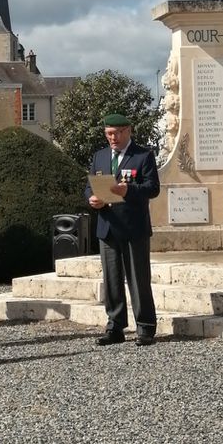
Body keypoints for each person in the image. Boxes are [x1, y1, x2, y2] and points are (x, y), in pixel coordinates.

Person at [85, 113, 160, 346]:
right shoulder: (100, 156)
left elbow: (152, 188)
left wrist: (128, 191)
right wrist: (92, 199)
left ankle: (145, 327)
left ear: (128, 131)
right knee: (112, 281)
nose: (113, 138)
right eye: (109, 134)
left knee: (138, 280)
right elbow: (88, 186)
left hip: (133, 227)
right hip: (107, 226)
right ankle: (115, 327)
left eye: (117, 133)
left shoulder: (143, 156)